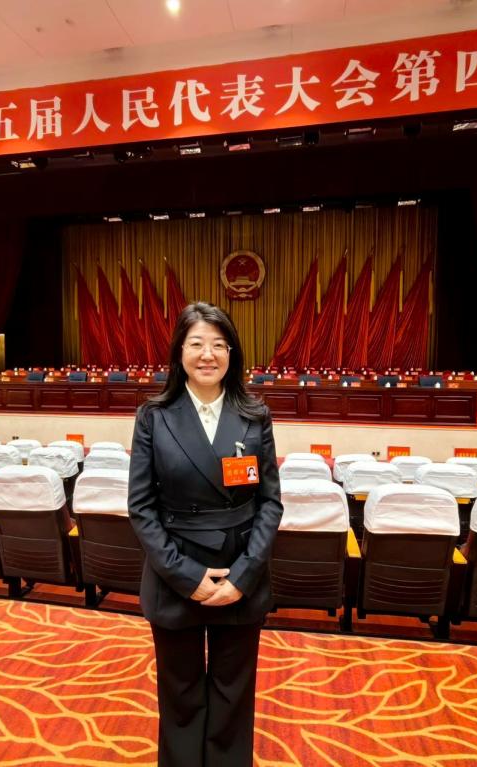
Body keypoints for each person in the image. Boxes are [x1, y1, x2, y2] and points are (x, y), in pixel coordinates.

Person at [128, 301, 283, 767]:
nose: (207, 354)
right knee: (180, 695)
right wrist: (187, 576)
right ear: (180, 352)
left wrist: (244, 575)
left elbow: (270, 503)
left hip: (239, 572)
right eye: (196, 343)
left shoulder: (255, 415)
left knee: (234, 694)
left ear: (232, 353)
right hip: (176, 572)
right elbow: (141, 507)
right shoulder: (154, 416)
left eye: (218, 344)